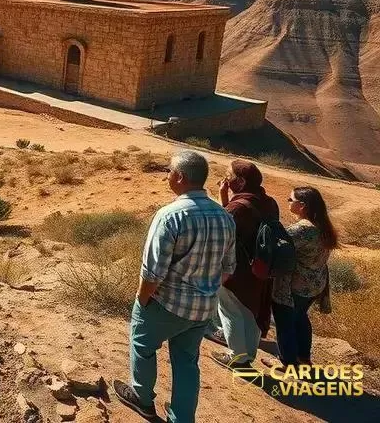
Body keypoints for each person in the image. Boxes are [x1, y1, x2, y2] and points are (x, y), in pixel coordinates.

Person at [113, 150, 236, 423]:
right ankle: (182, 418)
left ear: (179, 177)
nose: (167, 175)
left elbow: (152, 271)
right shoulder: (224, 216)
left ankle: (142, 398)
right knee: (187, 362)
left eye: (169, 171)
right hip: (202, 310)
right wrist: (204, 291)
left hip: (166, 303)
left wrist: (142, 300)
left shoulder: (170, 215)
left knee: (142, 346)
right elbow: (228, 269)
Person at [209, 160, 278, 370]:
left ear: (240, 181)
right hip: (260, 267)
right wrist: (225, 198)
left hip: (237, 269)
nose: (226, 178)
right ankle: (247, 354)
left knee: (230, 309)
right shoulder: (269, 202)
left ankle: (236, 357)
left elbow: (223, 230)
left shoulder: (238, 207)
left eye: (229, 175)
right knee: (251, 310)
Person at [272, 186, 337, 369]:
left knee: (285, 320)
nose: (288, 202)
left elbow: (278, 244)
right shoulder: (322, 225)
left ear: (302, 205)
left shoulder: (303, 229)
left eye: (290, 200)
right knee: (300, 317)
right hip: (316, 283)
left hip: (298, 284)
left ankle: (287, 362)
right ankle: (303, 358)